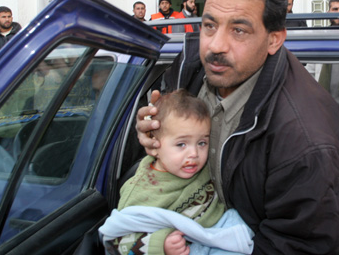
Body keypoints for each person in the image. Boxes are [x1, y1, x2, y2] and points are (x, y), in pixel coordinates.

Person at [137, 0, 339, 254]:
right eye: (210, 25)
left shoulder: (305, 141)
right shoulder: (192, 66)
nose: (215, 45)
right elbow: (163, 117)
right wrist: (151, 128)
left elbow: (300, 246)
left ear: (274, 39)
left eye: (238, 30)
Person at [99, 89, 253, 255]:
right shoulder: (141, 191)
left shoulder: (206, 167)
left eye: (202, 143)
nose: (194, 153)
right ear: (153, 144)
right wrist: (161, 244)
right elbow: (118, 241)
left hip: (218, 235)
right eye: (181, 144)